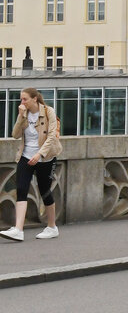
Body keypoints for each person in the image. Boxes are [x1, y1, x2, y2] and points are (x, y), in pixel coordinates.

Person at [2, 87, 62, 241]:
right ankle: (18, 230)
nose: (22, 102)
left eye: (25, 99)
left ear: (34, 98)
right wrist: (20, 116)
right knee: (21, 189)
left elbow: (51, 137)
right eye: (21, 99)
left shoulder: (49, 111)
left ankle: (51, 227)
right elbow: (15, 135)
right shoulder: (25, 114)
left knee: (45, 191)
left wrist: (39, 154)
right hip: (25, 156)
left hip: (45, 157)